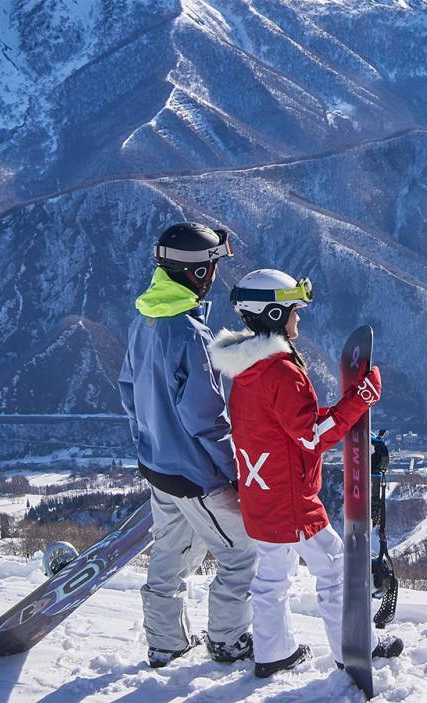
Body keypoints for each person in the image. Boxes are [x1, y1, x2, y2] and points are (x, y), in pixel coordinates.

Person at [208, 269, 403, 677]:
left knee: (272, 577)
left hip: (259, 494)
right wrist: (360, 399)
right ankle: (355, 647)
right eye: (294, 310)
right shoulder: (279, 371)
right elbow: (311, 436)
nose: (300, 319)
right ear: (275, 314)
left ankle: (273, 652)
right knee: (337, 570)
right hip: (290, 499)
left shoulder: (245, 370)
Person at [118, 222, 259, 668]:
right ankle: (228, 641)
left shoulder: (146, 318)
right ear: (196, 273)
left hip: (159, 466)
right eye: (213, 266)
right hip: (199, 476)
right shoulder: (190, 334)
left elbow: (128, 389)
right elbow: (207, 417)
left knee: (170, 557)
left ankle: (165, 644)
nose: (216, 274)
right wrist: (235, 474)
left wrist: (151, 442)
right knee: (242, 556)